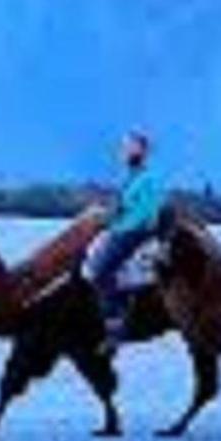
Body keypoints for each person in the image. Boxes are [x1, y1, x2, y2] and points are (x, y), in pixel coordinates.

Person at [87, 131, 165, 347]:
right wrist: (109, 214)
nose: (127, 153)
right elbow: (122, 205)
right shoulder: (131, 177)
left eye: (132, 149)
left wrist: (117, 226)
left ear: (142, 153)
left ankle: (116, 324)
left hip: (136, 231)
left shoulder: (150, 179)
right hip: (123, 228)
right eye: (126, 149)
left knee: (101, 271)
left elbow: (144, 212)